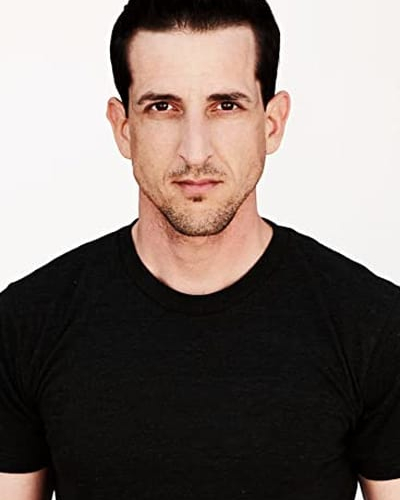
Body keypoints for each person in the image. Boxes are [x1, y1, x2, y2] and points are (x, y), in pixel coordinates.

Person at [0, 0, 399, 499]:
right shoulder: (25, 323)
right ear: (123, 127)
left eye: (225, 106)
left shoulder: (374, 326)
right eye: (162, 107)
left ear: (272, 123)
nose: (195, 151)